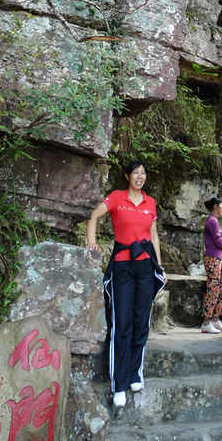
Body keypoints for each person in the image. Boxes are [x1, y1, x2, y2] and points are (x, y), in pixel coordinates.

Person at [87, 160, 166, 412]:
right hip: (122, 268)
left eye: (144, 172)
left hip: (145, 268)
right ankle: (118, 383)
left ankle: (135, 375)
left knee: (141, 321)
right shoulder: (116, 198)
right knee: (122, 324)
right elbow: (94, 216)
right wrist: (92, 243)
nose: (140, 176)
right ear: (127, 175)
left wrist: (159, 266)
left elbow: (153, 236)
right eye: (136, 172)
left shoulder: (150, 202)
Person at [201, 196, 222, 334]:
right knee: (213, 288)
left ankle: (215, 319)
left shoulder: (214, 221)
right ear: (216, 206)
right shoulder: (212, 221)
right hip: (213, 258)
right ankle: (206, 322)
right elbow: (218, 241)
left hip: (217, 258)